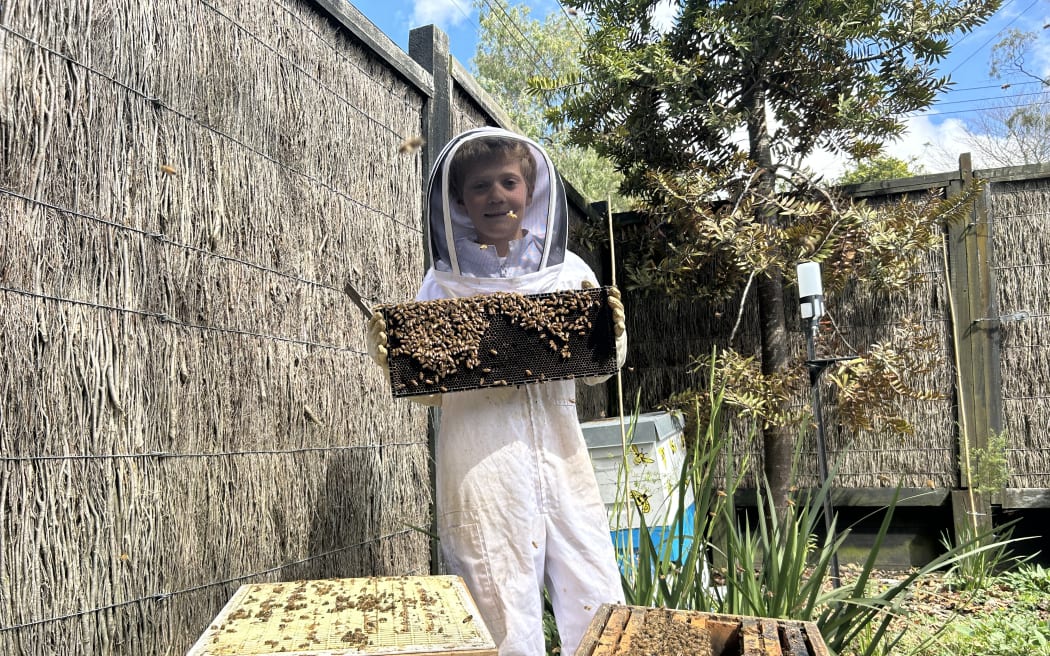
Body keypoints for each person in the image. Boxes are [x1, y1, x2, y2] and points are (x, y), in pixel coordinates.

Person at [368, 127, 626, 656]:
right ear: (458, 201)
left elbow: (599, 371)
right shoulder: (442, 286)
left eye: (508, 181)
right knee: (499, 615)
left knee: (598, 598)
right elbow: (429, 394)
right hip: (482, 471)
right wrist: (393, 356)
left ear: (530, 191)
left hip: (563, 458)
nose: (495, 195)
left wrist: (613, 334)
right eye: (481, 185)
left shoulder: (568, 272)